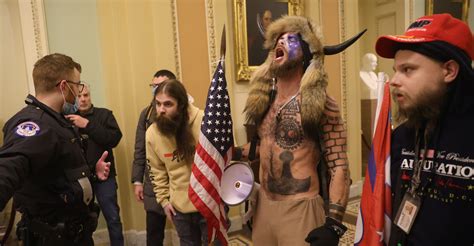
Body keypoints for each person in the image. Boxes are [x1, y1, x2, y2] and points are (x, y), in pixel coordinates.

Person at [236, 16, 364, 245]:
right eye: (278, 38)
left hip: (300, 209)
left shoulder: (320, 103)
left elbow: (338, 166)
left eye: (291, 39)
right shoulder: (266, 101)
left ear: (306, 52)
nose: (281, 42)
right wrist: (232, 153)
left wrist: (334, 224)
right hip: (264, 206)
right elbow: (264, 148)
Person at [375, 13, 474, 245]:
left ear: (449, 71)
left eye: (408, 70)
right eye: (395, 69)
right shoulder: (401, 136)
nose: (395, 80)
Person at [0, 53, 110, 245]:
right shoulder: (35, 124)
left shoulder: (56, 122)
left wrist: (92, 172)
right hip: (52, 237)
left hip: (74, 233)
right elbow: (10, 167)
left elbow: (57, 174)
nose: (78, 92)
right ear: (63, 86)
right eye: (77, 85)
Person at [146, 79, 210, 246]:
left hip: (209, 203)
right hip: (180, 208)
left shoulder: (204, 121)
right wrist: (164, 201)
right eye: (158, 104)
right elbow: (156, 171)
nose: (161, 110)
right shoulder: (152, 134)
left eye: (168, 104)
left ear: (181, 105)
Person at [66, 84, 124, 246]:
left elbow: (114, 139)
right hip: (81, 180)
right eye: (79, 96)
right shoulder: (68, 118)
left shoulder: (105, 115)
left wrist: (87, 125)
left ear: (90, 96)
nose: (83, 99)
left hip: (105, 177)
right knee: (82, 221)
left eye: (86, 95)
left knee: (113, 218)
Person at [131, 69, 176, 245]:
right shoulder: (147, 114)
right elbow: (140, 149)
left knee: (188, 231)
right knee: (154, 235)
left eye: (160, 85)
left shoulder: (186, 113)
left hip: (179, 182)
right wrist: (137, 181)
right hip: (153, 183)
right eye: (153, 86)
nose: (156, 89)